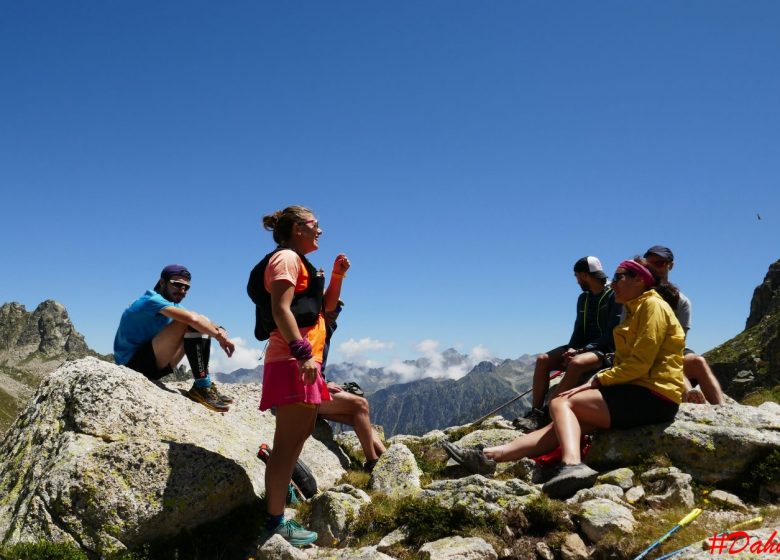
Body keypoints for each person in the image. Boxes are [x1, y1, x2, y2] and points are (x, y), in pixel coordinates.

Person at [444, 258, 686, 499]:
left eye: (619, 277)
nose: (614, 284)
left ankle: (572, 465)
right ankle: (489, 456)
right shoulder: (637, 309)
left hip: (653, 395)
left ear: (639, 279)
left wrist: (598, 380)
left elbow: (640, 364)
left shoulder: (651, 306)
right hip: (641, 393)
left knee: (561, 402)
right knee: (560, 423)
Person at [246, 205, 347, 547]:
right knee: (286, 447)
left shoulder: (298, 262)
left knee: (295, 441)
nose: (320, 230)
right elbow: (280, 309)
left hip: (304, 361)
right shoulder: (286, 259)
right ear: (297, 228)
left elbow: (324, 310)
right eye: (315, 225)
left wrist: (336, 276)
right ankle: (275, 523)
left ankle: (278, 500)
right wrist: (303, 354)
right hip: (293, 360)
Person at [514, 256, 622, 432]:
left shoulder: (613, 297)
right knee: (543, 359)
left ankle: (548, 413)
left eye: (577, 276)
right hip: (582, 347)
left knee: (577, 363)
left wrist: (581, 350)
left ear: (584, 275)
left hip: (605, 350)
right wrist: (571, 348)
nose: (577, 280)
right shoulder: (583, 299)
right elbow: (579, 329)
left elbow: (612, 334)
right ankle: (535, 412)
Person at [114, 264, 236, 412]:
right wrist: (219, 338)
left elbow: (201, 320)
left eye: (186, 288)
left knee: (199, 319)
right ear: (162, 283)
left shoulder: (169, 305)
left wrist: (221, 329)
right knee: (189, 321)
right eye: (177, 285)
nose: (182, 290)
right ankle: (202, 387)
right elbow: (192, 319)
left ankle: (203, 384)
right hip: (131, 367)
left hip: (155, 365)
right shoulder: (150, 300)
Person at [643, 246, 725, 405]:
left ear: (670, 265)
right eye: (649, 264)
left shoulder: (681, 301)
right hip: (644, 350)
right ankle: (691, 401)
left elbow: (678, 341)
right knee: (669, 359)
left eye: (659, 263)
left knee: (698, 362)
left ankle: (722, 411)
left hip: (671, 349)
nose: (653, 267)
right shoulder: (636, 296)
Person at [318, 301, 386, 473]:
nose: (336, 311)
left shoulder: (327, 328)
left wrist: (326, 383)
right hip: (303, 393)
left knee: (359, 418)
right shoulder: (312, 329)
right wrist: (324, 384)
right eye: (331, 306)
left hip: (314, 388)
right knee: (360, 405)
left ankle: (387, 459)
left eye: (339, 308)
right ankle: (373, 462)